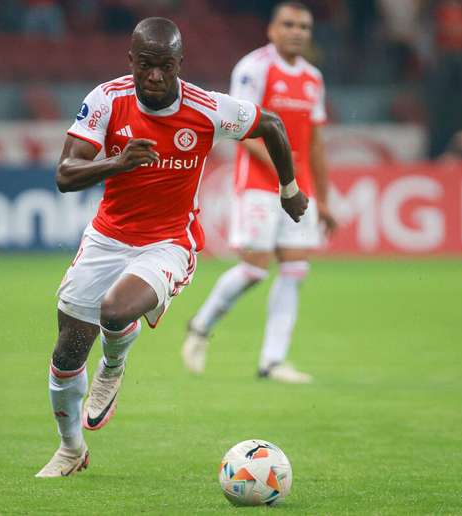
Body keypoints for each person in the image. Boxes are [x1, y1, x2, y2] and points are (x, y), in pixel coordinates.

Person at [36, 17, 309, 477]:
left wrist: (290, 189)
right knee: (66, 354)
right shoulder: (106, 100)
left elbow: (273, 125)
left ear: (180, 64)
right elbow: (65, 174)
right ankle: (71, 450)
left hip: (168, 242)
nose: (155, 76)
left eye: (165, 66)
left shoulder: (207, 109)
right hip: (106, 238)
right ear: (131, 61)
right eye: (146, 65)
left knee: (116, 311)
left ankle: (113, 366)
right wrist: (119, 163)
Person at [181, 1, 336, 384]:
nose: (297, 31)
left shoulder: (313, 78)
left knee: (295, 270)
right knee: (253, 270)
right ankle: (200, 327)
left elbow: (315, 141)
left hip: (300, 189)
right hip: (259, 186)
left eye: (304, 26)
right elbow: (241, 131)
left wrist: (325, 198)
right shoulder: (254, 68)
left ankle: (272, 361)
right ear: (272, 30)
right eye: (289, 24)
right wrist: (286, 175)